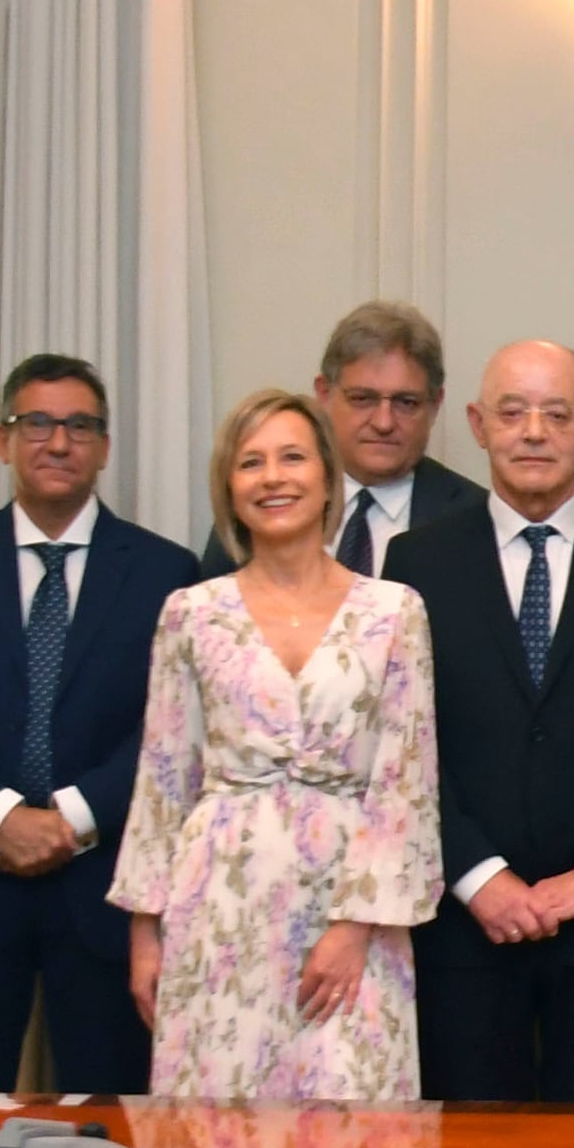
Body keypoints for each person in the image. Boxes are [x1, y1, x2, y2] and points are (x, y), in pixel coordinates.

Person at [0, 354, 196, 1097]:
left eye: (80, 425)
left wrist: (71, 817)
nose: (58, 442)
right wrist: (2, 818)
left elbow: (171, 731)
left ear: (105, 446)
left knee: (112, 1121)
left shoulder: (164, 572)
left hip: (105, 883)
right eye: (37, 423)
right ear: (2, 440)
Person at [113, 390, 444, 1100]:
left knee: (353, 1122)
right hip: (218, 909)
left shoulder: (395, 610)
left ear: (327, 476)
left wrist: (354, 926)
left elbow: (404, 783)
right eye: (251, 462)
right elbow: (164, 777)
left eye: (292, 456)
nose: (273, 477)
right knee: (219, 1122)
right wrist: (146, 933)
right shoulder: (190, 612)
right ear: (229, 488)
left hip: (354, 908)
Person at [392, 341, 574, 1105]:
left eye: (556, 414)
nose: (533, 432)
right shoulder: (415, 565)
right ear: (476, 424)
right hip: (463, 926)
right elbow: (402, 746)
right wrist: (481, 878)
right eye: (513, 412)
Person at [207, 301, 484, 576]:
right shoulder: (267, 502)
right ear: (324, 393)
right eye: (362, 399)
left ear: (435, 405)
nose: (383, 423)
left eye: (406, 402)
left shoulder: (477, 518)